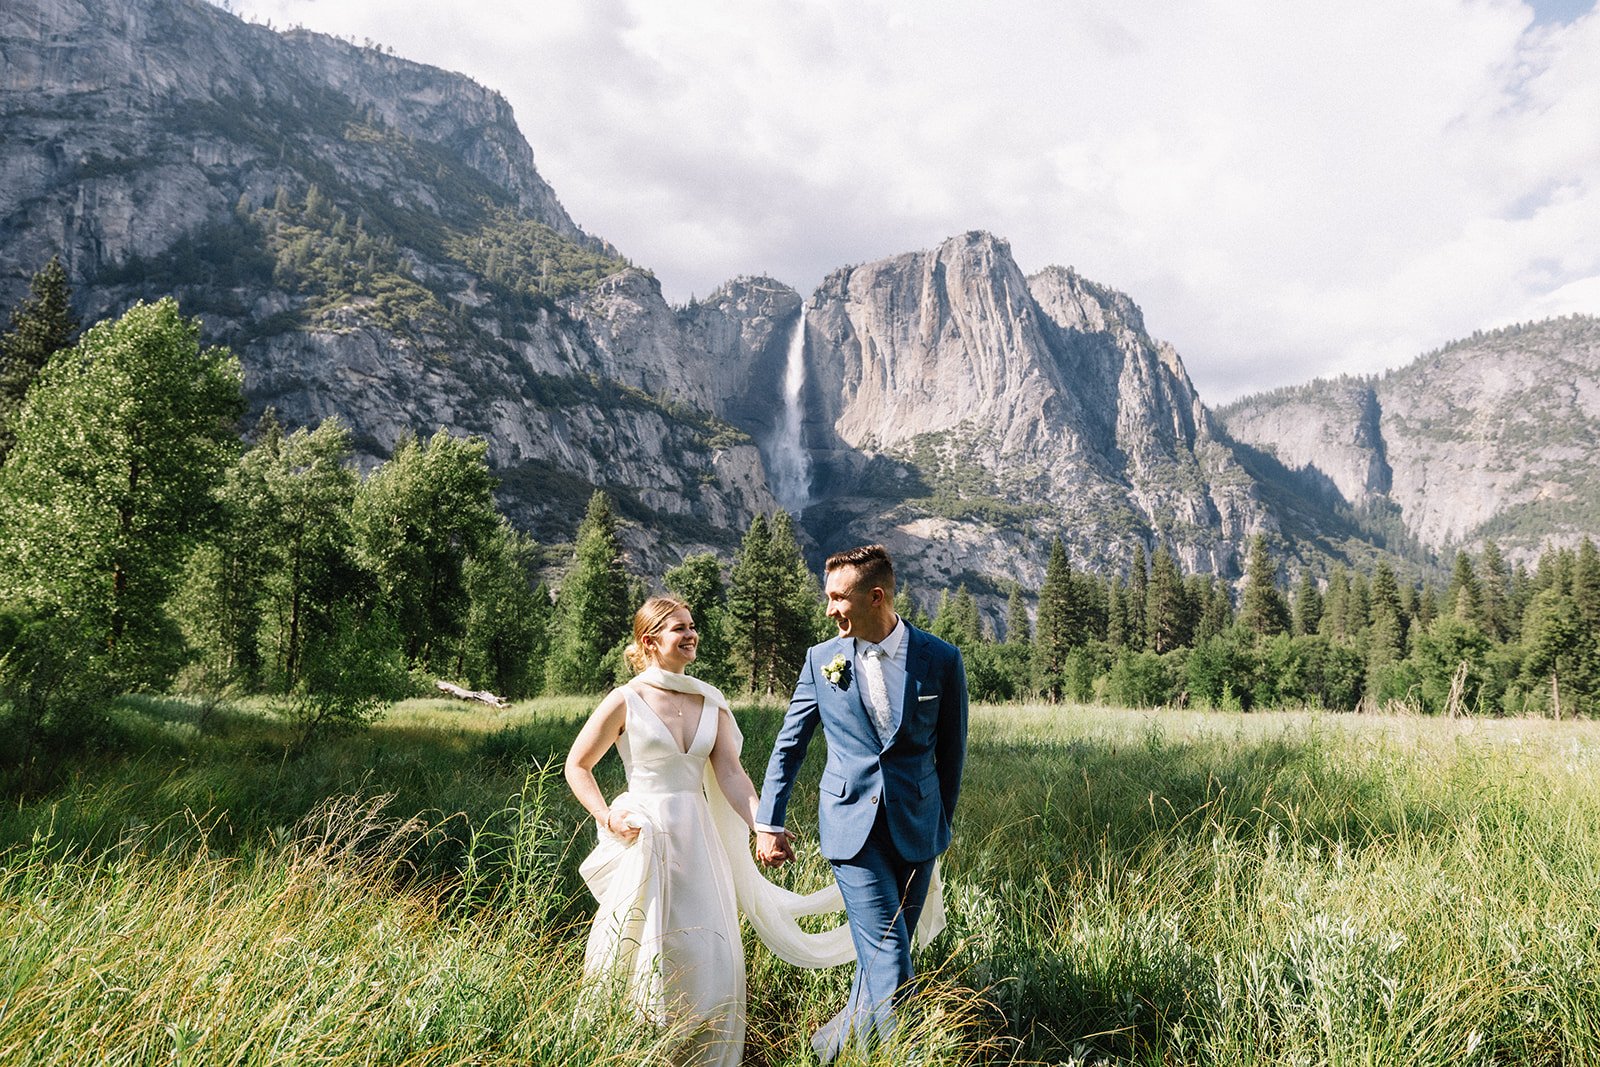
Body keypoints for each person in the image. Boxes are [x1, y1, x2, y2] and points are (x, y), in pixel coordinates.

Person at [567, 596, 868, 1066]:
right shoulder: (625, 699)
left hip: (698, 838)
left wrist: (762, 827)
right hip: (646, 836)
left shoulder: (710, 699)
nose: (691, 635)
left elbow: (731, 774)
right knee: (646, 945)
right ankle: (636, 1049)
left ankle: (705, 1051)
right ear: (649, 642)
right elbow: (577, 766)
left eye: (692, 626)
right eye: (678, 629)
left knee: (708, 945)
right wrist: (607, 817)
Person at [755, 543, 968, 1062]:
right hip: (851, 829)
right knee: (890, 957)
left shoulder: (940, 659)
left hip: (918, 831)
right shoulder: (820, 660)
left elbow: (952, 752)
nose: (829, 610)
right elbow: (790, 744)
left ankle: (829, 1052)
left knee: (880, 958)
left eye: (837, 598)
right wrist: (768, 821)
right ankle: (902, 1057)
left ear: (876, 597)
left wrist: (939, 825)